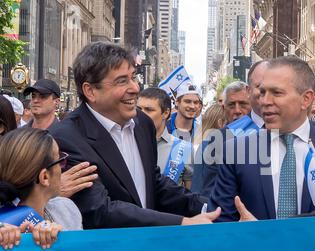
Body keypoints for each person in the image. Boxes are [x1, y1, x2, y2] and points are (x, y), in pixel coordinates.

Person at [49, 41, 221, 228]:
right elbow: (99, 210)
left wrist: (209, 208)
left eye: (133, 78)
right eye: (122, 81)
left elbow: (153, 184)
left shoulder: (142, 124)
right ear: (90, 91)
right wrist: (182, 222)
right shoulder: (66, 138)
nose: (135, 88)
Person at [209, 56, 315, 221]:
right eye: (262, 92)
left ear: (306, 99)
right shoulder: (236, 151)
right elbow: (220, 221)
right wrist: (251, 234)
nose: (265, 101)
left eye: (276, 93)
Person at [0, 128, 82, 250]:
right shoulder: (2, 229)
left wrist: (62, 239)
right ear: (44, 177)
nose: (62, 168)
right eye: (60, 160)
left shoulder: (66, 209)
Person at [137, 87, 193, 189]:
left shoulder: (184, 149)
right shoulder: (127, 143)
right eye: (139, 109)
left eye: (149, 110)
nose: (141, 114)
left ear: (166, 113)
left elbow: (189, 194)